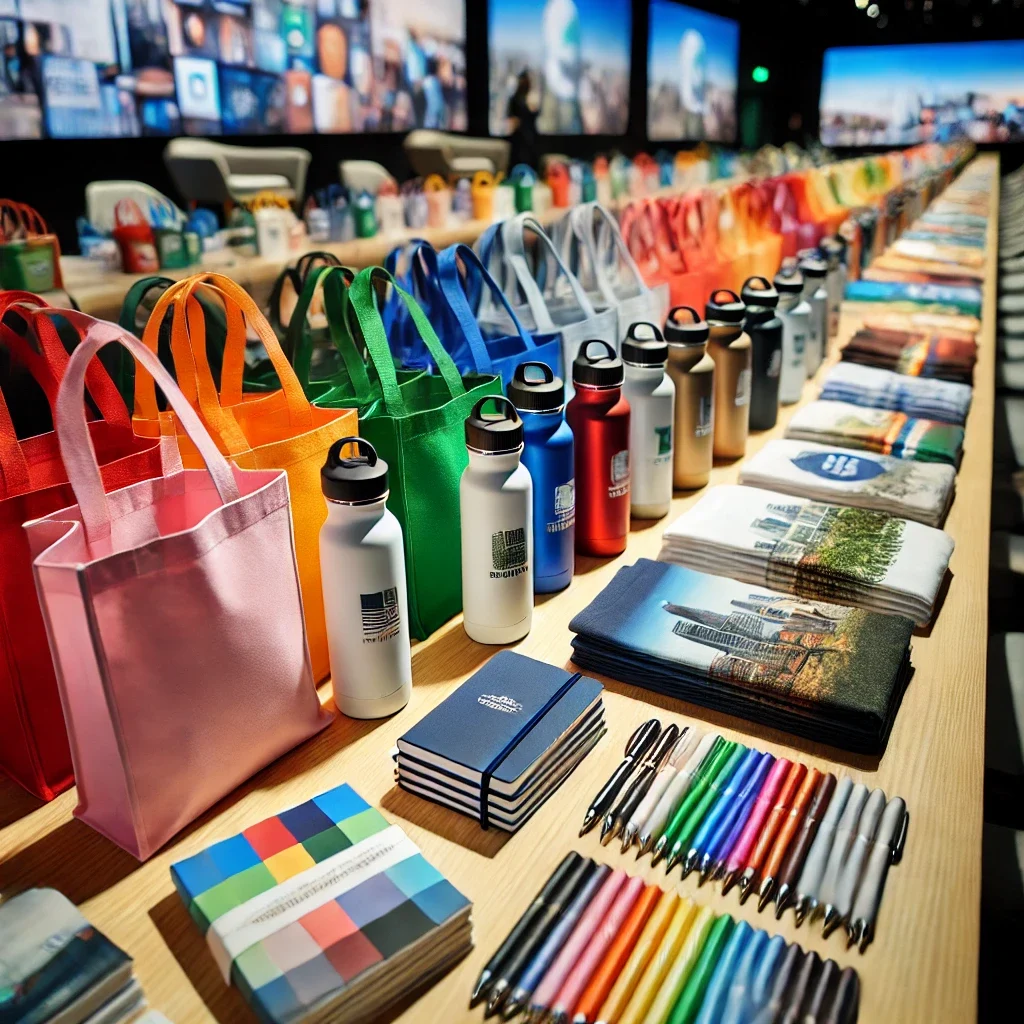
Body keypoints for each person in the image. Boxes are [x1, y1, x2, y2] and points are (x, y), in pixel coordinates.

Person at [507, 70, 539, 170]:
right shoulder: (515, 99)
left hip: (531, 136)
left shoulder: (531, 97)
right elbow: (512, 118)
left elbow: (534, 114)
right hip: (519, 136)